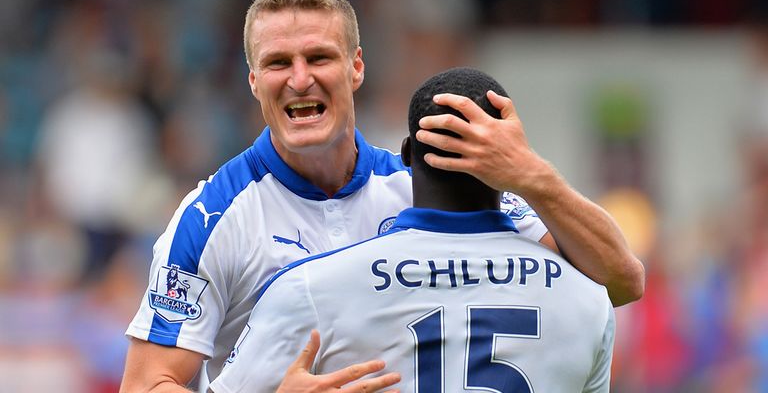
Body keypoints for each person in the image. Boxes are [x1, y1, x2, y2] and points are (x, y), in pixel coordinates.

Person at [120, 0, 642, 392]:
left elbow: (620, 279)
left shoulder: (422, 186)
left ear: (356, 68)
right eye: (279, 63)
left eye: (319, 57)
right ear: (253, 80)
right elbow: (146, 385)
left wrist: (531, 175)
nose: (300, 79)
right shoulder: (212, 218)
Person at [210, 67, 616, 393]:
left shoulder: (310, 288)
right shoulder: (588, 297)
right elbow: (627, 279)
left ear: (407, 155)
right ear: (515, 155)